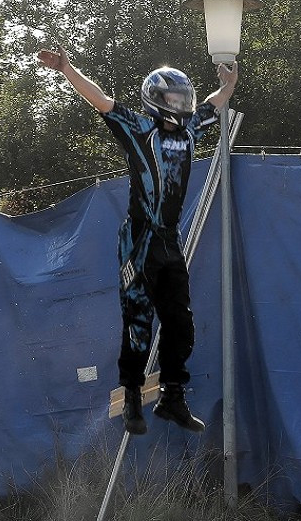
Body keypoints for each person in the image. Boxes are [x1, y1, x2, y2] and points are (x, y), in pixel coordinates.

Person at [37, 47, 239, 436]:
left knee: (182, 325)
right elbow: (100, 100)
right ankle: (131, 396)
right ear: (157, 101)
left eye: (185, 99)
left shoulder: (191, 129)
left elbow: (215, 104)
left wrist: (228, 86)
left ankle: (172, 397)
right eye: (174, 99)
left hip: (169, 240)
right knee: (139, 324)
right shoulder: (138, 128)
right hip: (138, 240)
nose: (181, 106)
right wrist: (66, 69)